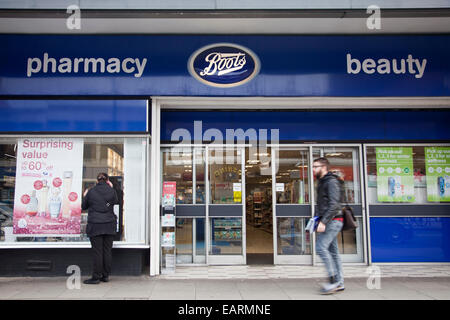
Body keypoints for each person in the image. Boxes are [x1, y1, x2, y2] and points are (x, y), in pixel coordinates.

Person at [313, 157, 345, 294]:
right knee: (333, 252)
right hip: (329, 220)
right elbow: (321, 203)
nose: (313, 169)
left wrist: (323, 222)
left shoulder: (331, 182)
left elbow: (334, 205)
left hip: (333, 220)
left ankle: (333, 282)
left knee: (320, 248)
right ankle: (340, 282)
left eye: (316, 166)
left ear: (324, 167)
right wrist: (315, 220)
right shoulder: (322, 182)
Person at [82, 172, 119, 284]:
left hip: (96, 225)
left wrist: (85, 196)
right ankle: (105, 276)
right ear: (107, 180)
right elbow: (116, 202)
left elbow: (84, 206)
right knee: (107, 251)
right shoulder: (112, 191)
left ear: (97, 180)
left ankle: (96, 277)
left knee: (98, 252)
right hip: (109, 224)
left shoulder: (91, 191)